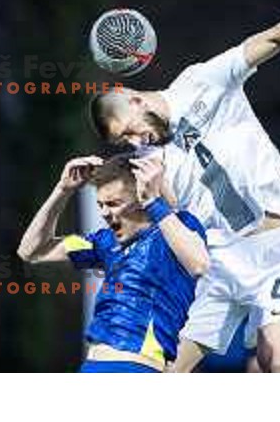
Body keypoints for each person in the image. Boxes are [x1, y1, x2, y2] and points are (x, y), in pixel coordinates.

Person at [88, 16, 280, 372]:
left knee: (277, 362)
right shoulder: (151, 159)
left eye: (130, 131)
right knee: (167, 367)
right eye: (123, 142)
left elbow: (272, 38)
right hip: (218, 260)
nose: (134, 142)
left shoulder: (199, 83)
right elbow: (178, 221)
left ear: (134, 101)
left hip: (275, 251)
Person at [18, 153, 209, 372]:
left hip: (135, 366)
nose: (104, 213)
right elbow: (31, 251)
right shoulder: (105, 242)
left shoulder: (178, 227)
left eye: (113, 203)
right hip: (91, 365)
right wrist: (63, 190)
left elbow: (199, 264)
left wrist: (154, 202)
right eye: (100, 205)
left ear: (141, 199)